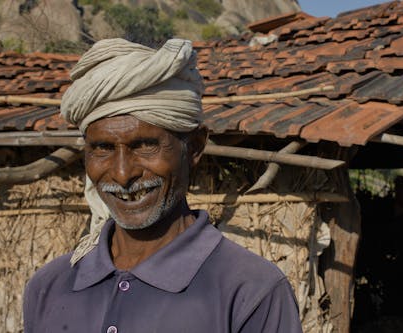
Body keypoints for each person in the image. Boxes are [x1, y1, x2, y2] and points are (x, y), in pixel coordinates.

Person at [23, 38, 302, 333]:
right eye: (103, 148)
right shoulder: (49, 288)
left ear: (193, 148)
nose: (121, 174)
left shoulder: (251, 292)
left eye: (144, 146)